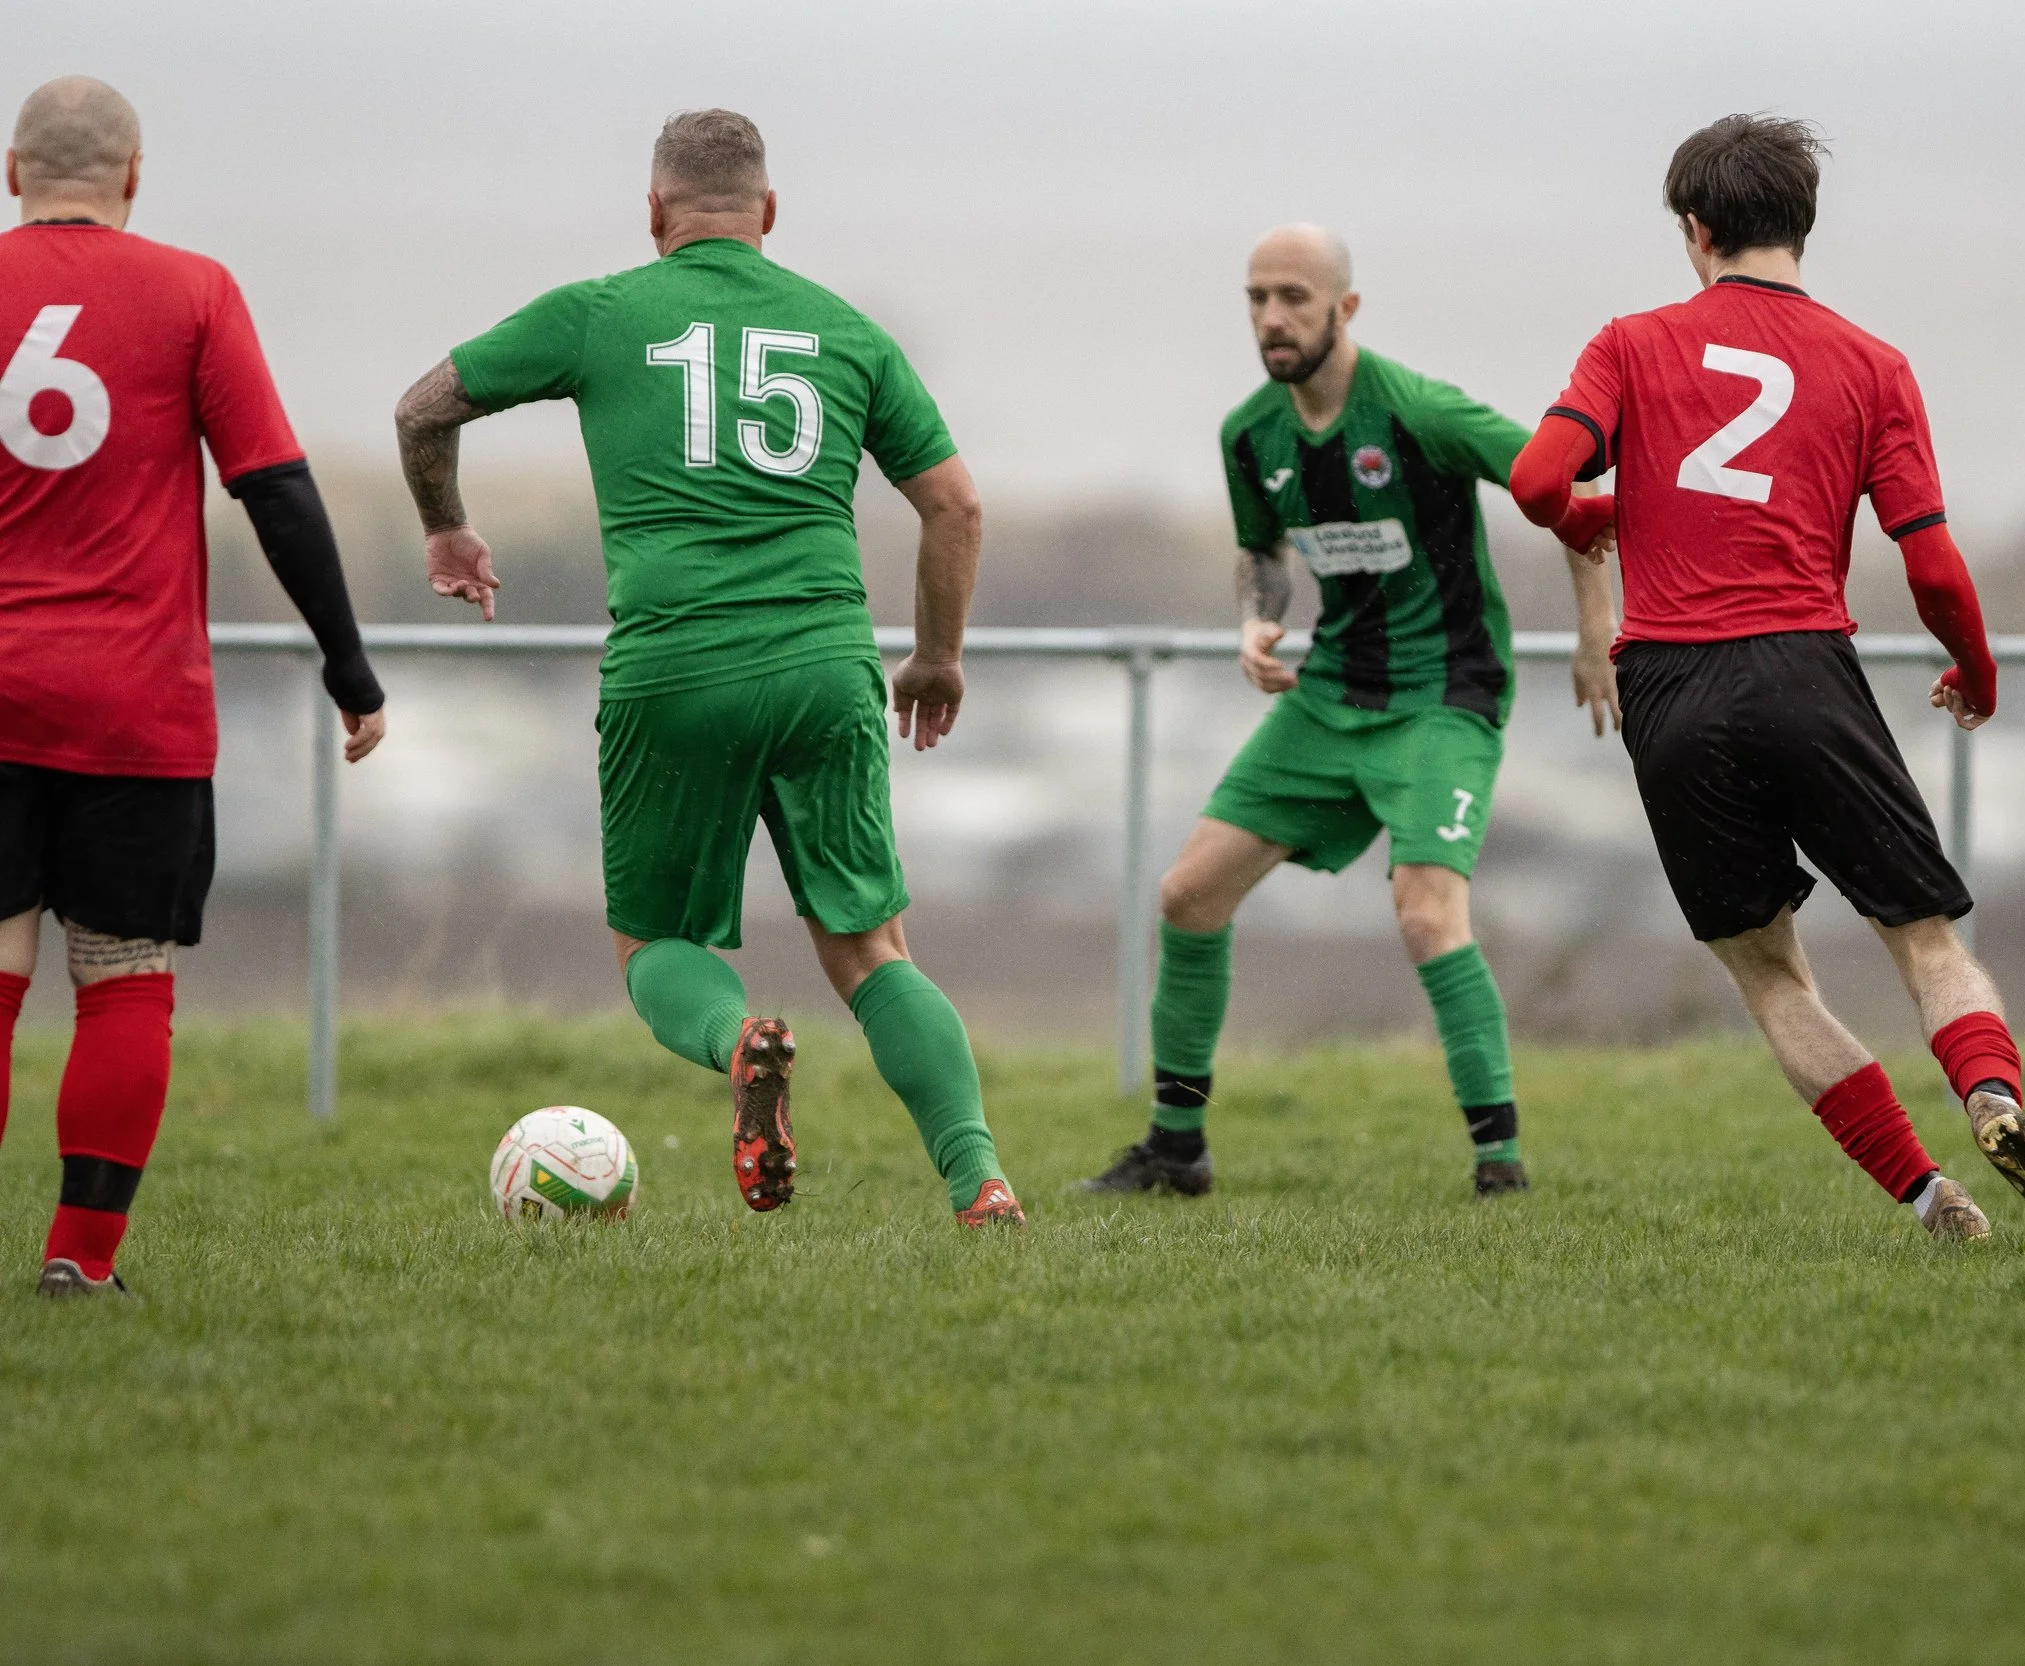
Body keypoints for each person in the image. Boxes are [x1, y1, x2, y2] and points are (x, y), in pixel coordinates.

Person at [395, 109, 1021, 1226]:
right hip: (825, 666)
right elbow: (956, 505)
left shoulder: (598, 313)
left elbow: (423, 406)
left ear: (653, 213)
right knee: (870, 945)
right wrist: (936, 657)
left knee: (655, 943)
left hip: (673, 667)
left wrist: (447, 526)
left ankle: (738, 1043)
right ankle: (979, 1181)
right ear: (769, 215)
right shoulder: (846, 329)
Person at [1510, 115, 2025, 1243]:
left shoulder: (1629, 343)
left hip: (1670, 693)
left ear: (1693, 230)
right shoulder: (1874, 365)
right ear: (1802, 225)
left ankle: (1932, 1197)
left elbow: (1538, 477)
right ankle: (1992, 1099)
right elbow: (1929, 560)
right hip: (1803, 672)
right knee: (1926, 942)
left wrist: (1597, 511)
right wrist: (1973, 670)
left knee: (1772, 978)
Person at [1080, 224, 1619, 1201]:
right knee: (1186, 896)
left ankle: (1500, 1166)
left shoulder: (1417, 412)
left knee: (1423, 910)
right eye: (1255, 298)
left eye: (1293, 296)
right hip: (1329, 696)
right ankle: (1174, 1150)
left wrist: (1595, 634)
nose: (1272, 317)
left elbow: (1572, 494)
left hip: (1443, 697)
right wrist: (1257, 624)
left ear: (1346, 308)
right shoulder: (1251, 433)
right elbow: (1263, 556)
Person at [0, 77, 388, 1297]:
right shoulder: (194, 292)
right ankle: (82, 1258)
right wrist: (345, 659)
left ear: (12, 176)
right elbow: (273, 486)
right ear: (133, 175)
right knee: (122, 982)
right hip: (136, 708)